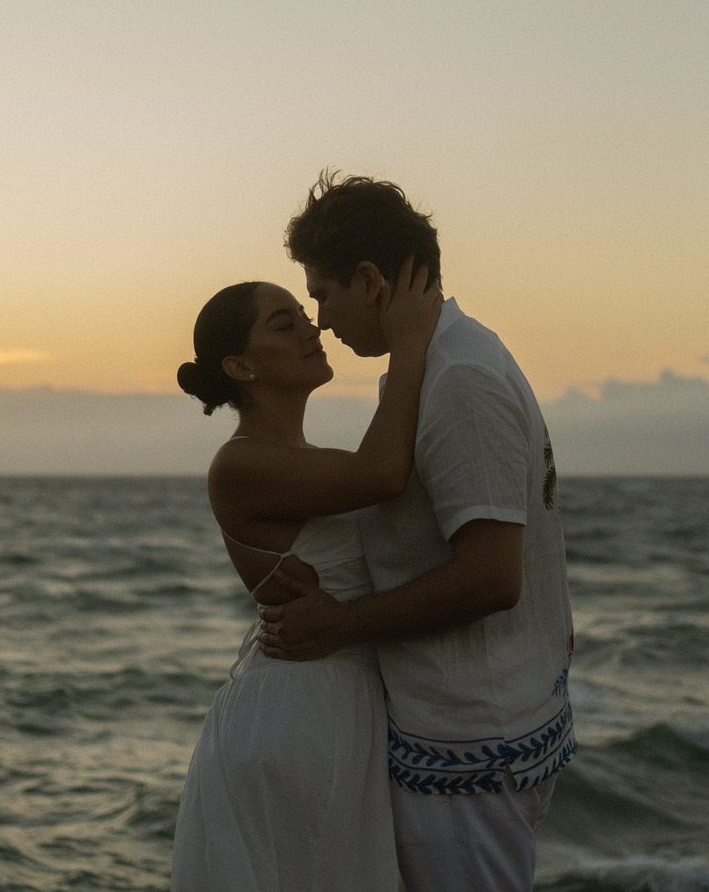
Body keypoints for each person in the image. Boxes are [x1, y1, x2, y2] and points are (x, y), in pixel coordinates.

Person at [259, 173, 575, 892]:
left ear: (368, 280)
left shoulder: (459, 378)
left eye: (323, 293)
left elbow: (494, 575)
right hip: (479, 723)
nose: (321, 319)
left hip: (472, 739)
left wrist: (340, 624)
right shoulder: (438, 363)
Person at [169, 258, 442, 892]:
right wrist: (407, 345)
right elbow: (383, 475)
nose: (311, 329)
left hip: (341, 701)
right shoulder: (239, 465)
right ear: (241, 367)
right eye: (285, 323)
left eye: (304, 316)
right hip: (301, 715)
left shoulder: (312, 462)